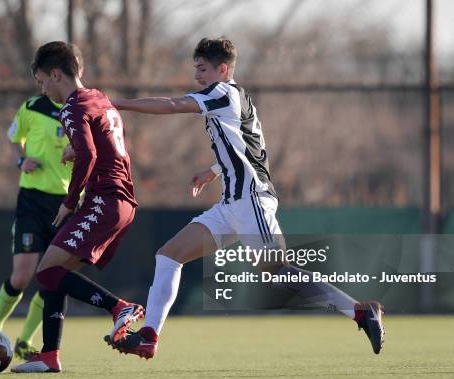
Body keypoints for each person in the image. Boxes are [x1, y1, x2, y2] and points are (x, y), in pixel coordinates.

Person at [105, 37, 385, 359]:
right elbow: (252, 146)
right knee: (169, 255)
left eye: (203, 69)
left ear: (223, 69)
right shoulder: (237, 98)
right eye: (196, 68)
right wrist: (213, 169)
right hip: (230, 205)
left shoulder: (222, 92)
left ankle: (361, 311)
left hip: (251, 200)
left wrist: (118, 104)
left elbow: (171, 105)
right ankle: (149, 336)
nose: (197, 75)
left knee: (277, 270)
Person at [11, 41, 144, 373]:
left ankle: (119, 308)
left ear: (55, 74)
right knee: (52, 275)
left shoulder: (70, 107)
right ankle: (49, 356)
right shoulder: (98, 97)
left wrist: (69, 203)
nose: (42, 89)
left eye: (42, 81)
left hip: (105, 199)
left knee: (48, 271)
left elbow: (89, 156)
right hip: (121, 200)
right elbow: (101, 141)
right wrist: (75, 149)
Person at [0, 89, 73, 360]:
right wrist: (21, 160)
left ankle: (25, 341)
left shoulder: (84, 108)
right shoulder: (32, 107)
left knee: (53, 277)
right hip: (32, 202)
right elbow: (14, 138)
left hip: (67, 203)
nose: (43, 83)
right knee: (22, 276)